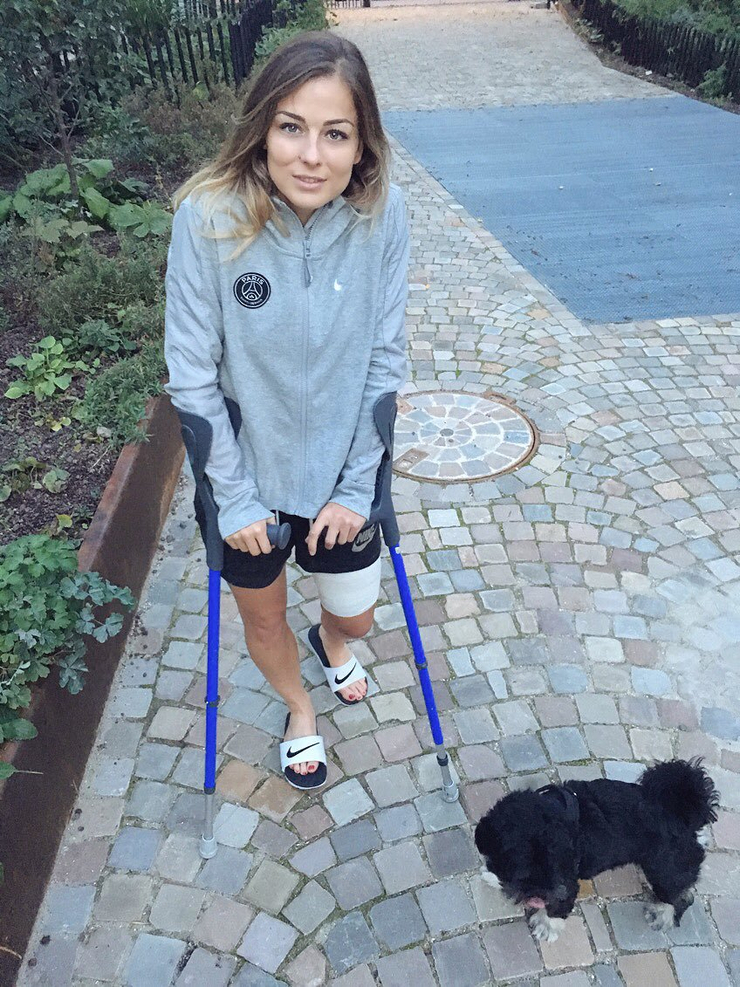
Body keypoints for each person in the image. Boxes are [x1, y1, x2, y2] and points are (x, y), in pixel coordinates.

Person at [164, 31, 410, 791]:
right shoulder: (206, 217)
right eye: (291, 127)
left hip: (343, 473)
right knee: (263, 616)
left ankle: (333, 641)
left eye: (335, 134)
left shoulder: (383, 215)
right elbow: (191, 377)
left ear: (361, 146)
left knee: (358, 617)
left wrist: (355, 487)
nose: (311, 156)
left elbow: (385, 360)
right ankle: (300, 706)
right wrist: (235, 498)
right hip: (248, 480)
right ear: (262, 128)